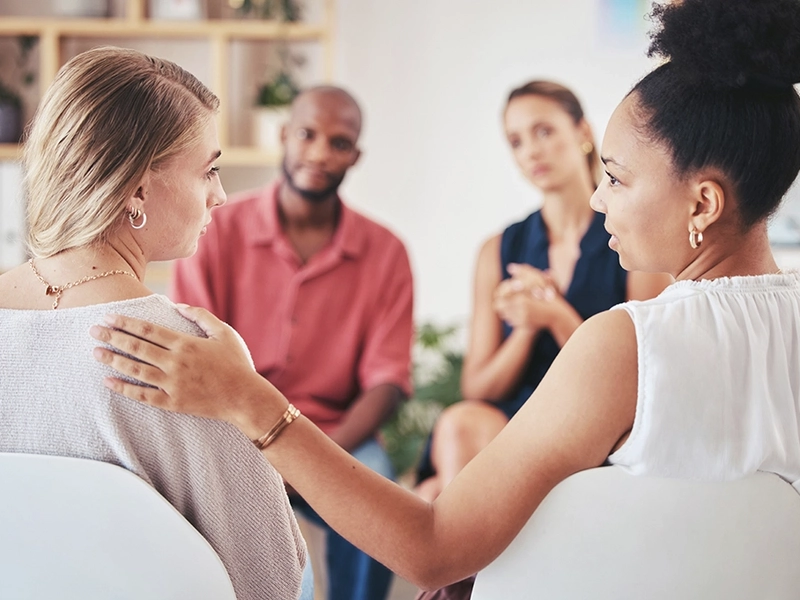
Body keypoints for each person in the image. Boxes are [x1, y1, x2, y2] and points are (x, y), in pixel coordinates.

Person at [90, 0, 800, 592]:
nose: (598, 197)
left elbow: (431, 548)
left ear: (703, 202)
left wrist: (247, 399)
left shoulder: (629, 344)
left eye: (615, 177)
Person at [0, 46, 310, 600]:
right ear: (138, 189)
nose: (220, 195)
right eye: (209, 170)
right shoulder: (181, 355)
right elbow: (272, 578)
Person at [169, 85, 413, 600]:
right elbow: (197, 353)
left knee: (376, 488)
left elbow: (387, 381)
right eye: (308, 135)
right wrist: (267, 442)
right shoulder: (214, 231)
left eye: (339, 142)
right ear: (284, 136)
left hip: (339, 434)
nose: (321, 153)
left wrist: (314, 458)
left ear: (356, 155)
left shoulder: (386, 252)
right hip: (236, 427)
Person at [414, 80, 671, 503]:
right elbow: (478, 388)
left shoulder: (633, 235)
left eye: (544, 131)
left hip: (595, 420)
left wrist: (554, 314)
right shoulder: (498, 250)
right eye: (516, 141)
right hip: (515, 418)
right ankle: (465, 553)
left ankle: (455, 542)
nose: (531, 151)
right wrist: (527, 327)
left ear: (583, 133)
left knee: (433, 495)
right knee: (461, 423)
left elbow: (642, 374)